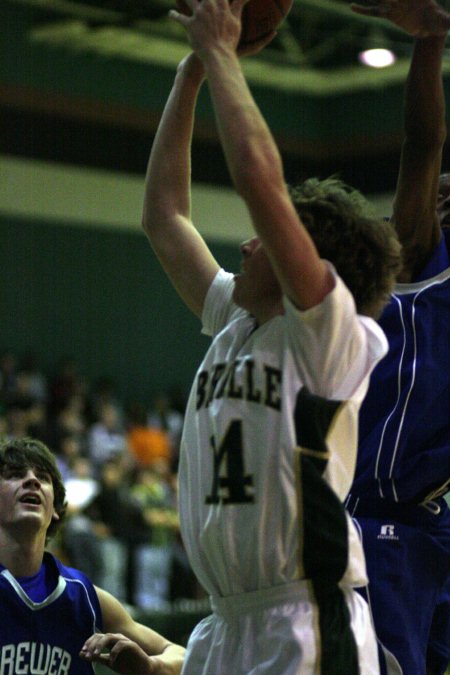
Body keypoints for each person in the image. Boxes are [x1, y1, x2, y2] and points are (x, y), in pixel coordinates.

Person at [141, 0, 402, 671]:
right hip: (225, 623)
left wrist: (224, 50)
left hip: (305, 625)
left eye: (268, 239)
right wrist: (192, 71)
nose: (249, 242)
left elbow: (261, 181)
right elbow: (165, 216)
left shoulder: (325, 336)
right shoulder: (238, 317)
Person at [346, 1, 450, 673]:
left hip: (432, 520)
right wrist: (432, 42)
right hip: (373, 520)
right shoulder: (414, 261)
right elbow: (421, 145)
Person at [0, 436, 185, 674]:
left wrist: (151, 666)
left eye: (42, 477)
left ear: (56, 509)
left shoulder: (82, 596)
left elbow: (181, 655)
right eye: (15, 474)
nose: (32, 481)